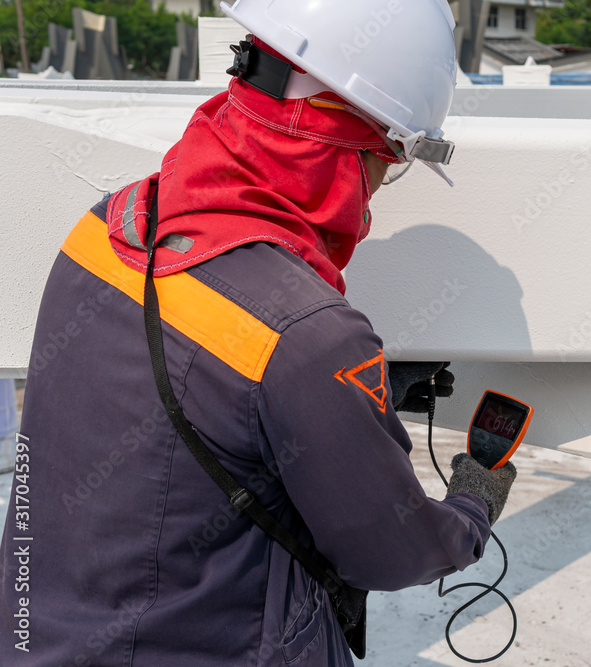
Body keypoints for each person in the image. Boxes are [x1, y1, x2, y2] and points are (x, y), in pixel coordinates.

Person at [0, 0, 517, 664]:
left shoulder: (106, 227)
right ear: (355, 142)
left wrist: (324, 401)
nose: (378, 186)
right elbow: (392, 551)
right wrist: (472, 506)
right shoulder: (311, 336)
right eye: (391, 160)